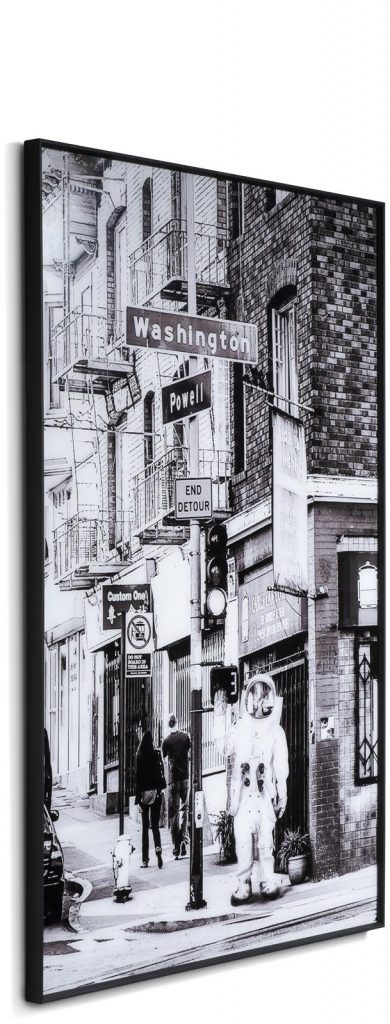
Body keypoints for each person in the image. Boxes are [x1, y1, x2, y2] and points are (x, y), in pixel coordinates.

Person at [226, 673, 289, 904]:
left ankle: (267, 880)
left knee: (265, 841)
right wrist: (219, 716)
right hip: (243, 796)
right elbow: (224, 747)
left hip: (264, 795)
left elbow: (281, 766)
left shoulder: (275, 731)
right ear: (248, 698)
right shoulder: (240, 727)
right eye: (256, 695)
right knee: (242, 839)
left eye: (264, 696)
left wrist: (282, 795)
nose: (260, 702)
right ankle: (243, 883)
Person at [135, 730, 166, 869]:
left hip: (144, 796)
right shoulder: (156, 753)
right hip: (155, 793)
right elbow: (161, 772)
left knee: (144, 828)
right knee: (155, 826)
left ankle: (145, 860)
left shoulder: (139, 755)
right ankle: (158, 849)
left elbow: (138, 779)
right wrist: (160, 789)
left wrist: (138, 800)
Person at [162, 714, 191, 859]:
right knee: (185, 809)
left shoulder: (166, 741)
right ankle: (184, 839)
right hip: (185, 777)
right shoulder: (185, 737)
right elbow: (189, 750)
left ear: (168, 725)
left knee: (173, 814)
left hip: (172, 779)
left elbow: (164, 757)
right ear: (177, 723)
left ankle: (175, 848)